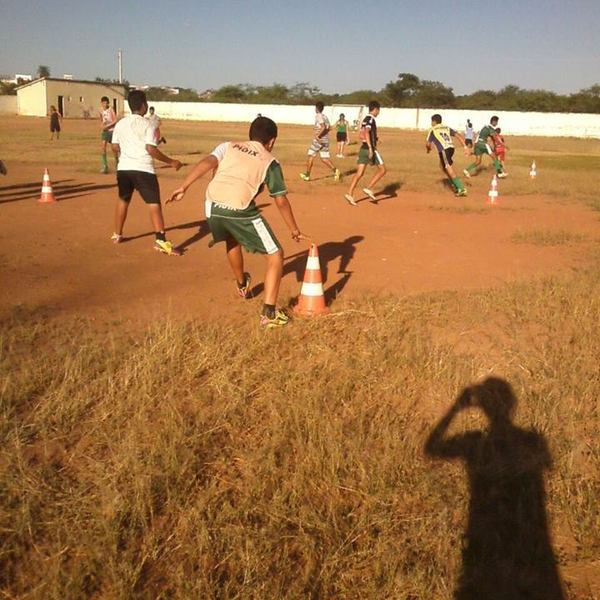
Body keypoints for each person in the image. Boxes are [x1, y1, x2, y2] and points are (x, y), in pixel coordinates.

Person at [168, 116, 308, 328]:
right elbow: (280, 200)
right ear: (271, 141)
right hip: (240, 208)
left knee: (231, 239)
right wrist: (294, 229)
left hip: (211, 205)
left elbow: (207, 162)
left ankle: (242, 283)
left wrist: (184, 187)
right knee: (276, 255)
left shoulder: (228, 146)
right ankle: (269, 314)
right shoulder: (270, 161)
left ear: (250, 135)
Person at [110, 90, 183, 255]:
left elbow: (115, 147)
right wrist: (172, 162)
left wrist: (122, 157)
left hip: (124, 169)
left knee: (123, 200)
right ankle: (161, 241)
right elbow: (150, 149)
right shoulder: (148, 124)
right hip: (143, 170)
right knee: (154, 205)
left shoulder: (120, 123)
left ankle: (117, 234)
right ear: (143, 105)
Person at [344, 100, 387, 206]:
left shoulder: (364, 119)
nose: (378, 113)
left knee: (359, 173)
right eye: (378, 111)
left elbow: (361, 135)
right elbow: (367, 132)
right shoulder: (371, 119)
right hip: (369, 149)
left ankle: (350, 193)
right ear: (375, 109)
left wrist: (376, 138)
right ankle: (369, 188)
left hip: (362, 148)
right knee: (382, 170)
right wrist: (371, 147)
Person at [426, 114, 469, 197]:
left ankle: (461, 188)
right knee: (442, 166)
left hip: (444, 149)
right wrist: (465, 146)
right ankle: (454, 183)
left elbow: (428, 144)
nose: (431, 123)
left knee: (447, 167)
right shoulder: (446, 127)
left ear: (434, 121)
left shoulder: (433, 130)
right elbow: (458, 135)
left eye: (432, 121)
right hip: (451, 148)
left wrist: (428, 149)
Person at [300, 101, 341, 182]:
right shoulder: (325, 117)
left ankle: (307, 175)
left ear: (316, 108)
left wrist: (318, 136)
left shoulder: (318, 116)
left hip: (319, 140)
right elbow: (329, 128)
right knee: (324, 158)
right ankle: (335, 171)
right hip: (325, 140)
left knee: (311, 156)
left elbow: (323, 127)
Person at [99, 96, 118, 174]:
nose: (104, 104)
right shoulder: (100, 111)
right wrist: (102, 125)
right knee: (103, 148)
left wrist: (108, 126)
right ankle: (105, 166)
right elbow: (101, 119)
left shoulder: (111, 110)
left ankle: (117, 164)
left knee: (114, 149)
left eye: (106, 103)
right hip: (105, 131)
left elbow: (115, 120)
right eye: (103, 103)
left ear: (108, 103)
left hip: (111, 131)